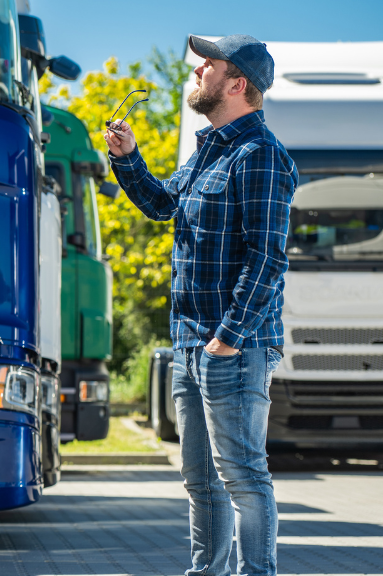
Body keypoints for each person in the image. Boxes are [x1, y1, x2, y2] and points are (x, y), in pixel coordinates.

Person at [104, 35, 298, 576]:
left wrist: (229, 338)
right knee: (201, 481)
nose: (198, 70)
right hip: (190, 342)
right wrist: (129, 158)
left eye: (209, 64)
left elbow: (267, 260)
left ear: (238, 84)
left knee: (242, 476)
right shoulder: (209, 149)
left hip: (232, 348)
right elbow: (165, 206)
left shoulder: (260, 156)